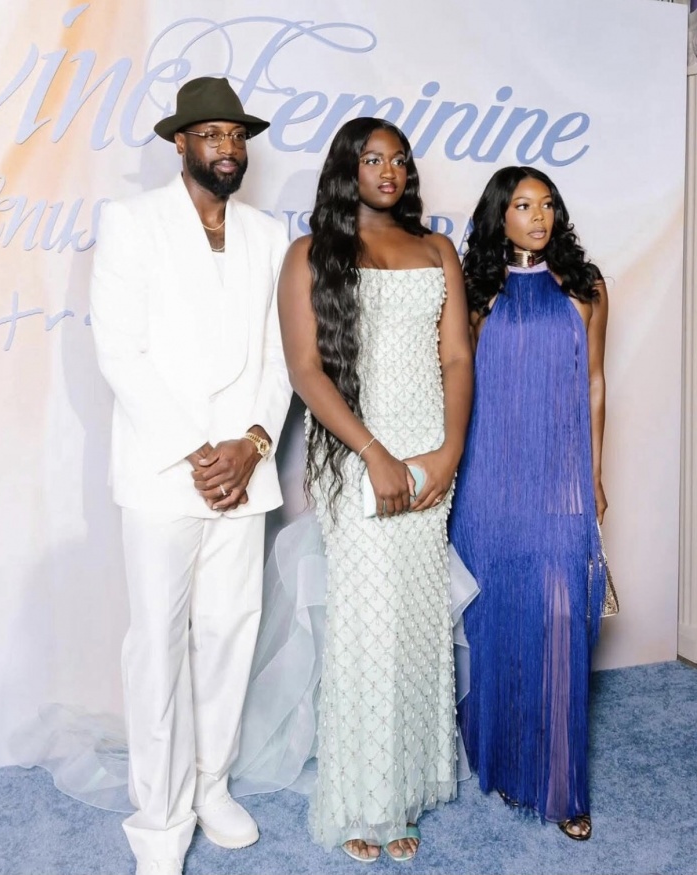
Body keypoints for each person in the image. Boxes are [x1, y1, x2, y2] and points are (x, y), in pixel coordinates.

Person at [89, 77, 291, 875]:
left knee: (230, 632)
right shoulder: (131, 222)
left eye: (236, 135)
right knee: (157, 647)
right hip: (165, 470)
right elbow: (120, 350)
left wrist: (253, 442)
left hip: (245, 470)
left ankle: (211, 785)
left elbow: (282, 352)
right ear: (181, 144)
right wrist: (199, 451)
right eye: (211, 134)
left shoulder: (269, 234)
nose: (227, 148)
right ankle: (160, 820)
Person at [277, 117, 474, 862]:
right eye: (372, 159)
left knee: (417, 620)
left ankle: (405, 791)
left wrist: (449, 451)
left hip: (428, 455)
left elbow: (457, 358)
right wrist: (373, 455)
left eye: (398, 159)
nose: (388, 171)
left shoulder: (438, 250)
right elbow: (306, 371)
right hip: (358, 455)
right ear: (347, 169)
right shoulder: (310, 254)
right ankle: (360, 795)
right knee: (366, 623)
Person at [448, 166, 608, 840]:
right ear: (499, 215)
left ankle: (563, 786)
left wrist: (592, 475)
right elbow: (454, 385)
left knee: (560, 620)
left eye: (547, 204)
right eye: (522, 205)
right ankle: (498, 757)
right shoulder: (476, 293)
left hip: (557, 479)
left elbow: (594, 383)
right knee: (492, 618)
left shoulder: (585, 288)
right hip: (488, 480)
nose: (539, 216)